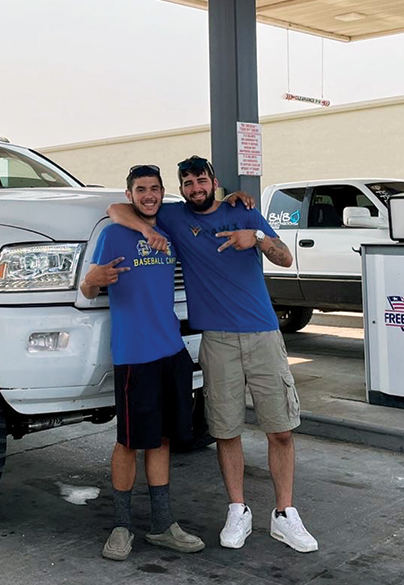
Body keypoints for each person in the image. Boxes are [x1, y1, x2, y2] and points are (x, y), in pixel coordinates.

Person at [106, 155, 319, 553]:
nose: (195, 188)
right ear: (181, 188)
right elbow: (117, 208)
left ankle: (284, 514)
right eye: (187, 183)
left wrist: (254, 239)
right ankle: (237, 509)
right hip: (217, 340)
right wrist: (142, 229)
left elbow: (285, 258)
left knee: (282, 429)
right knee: (225, 429)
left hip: (263, 334)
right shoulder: (174, 217)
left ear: (214, 181)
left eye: (201, 180)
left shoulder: (243, 212)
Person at [81, 164, 205, 561]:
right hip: (134, 355)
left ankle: (163, 524)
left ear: (163, 191)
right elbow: (87, 285)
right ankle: (121, 527)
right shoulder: (113, 234)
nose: (148, 195)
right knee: (128, 442)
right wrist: (93, 278)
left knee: (163, 439)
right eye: (141, 189)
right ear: (130, 192)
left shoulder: (169, 227)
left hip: (171, 350)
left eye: (154, 188)